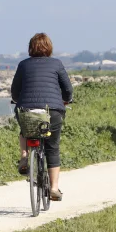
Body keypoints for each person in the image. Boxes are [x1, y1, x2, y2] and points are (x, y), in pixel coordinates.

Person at [11, 33, 73, 201]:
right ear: (49, 47)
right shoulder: (57, 63)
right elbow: (67, 89)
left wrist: (17, 99)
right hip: (52, 110)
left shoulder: (23, 65)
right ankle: (53, 188)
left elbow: (15, 91)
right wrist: (66, 99)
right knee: (52, 147)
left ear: (30, 47)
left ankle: (24, 156)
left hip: (27, 109)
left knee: (25, 131)